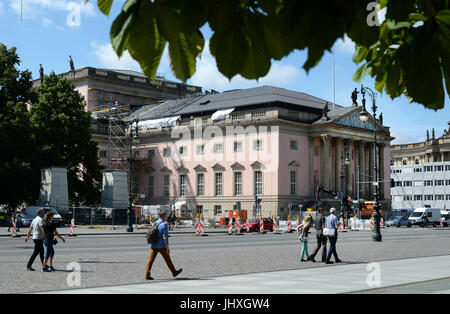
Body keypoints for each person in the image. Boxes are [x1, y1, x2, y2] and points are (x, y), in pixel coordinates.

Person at [145, 210, 182, 280]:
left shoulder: (155, 223)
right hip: (161, 246)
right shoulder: (164, 224)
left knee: (150, 260)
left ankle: (147, 274)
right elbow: (165, 236)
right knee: (168, 260)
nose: (167, 216)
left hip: (153, 245)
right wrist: (167, 247)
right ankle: (174, 272)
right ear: (164, 216)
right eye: (166, 215)